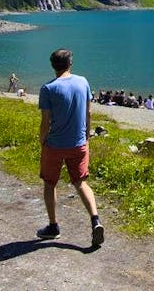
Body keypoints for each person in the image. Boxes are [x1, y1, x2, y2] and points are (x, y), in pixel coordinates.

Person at [36, 48, 104, 247]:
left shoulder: (48, 88)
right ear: (70, 64)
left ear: (52, 65)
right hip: (79, 143)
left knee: (50, 183)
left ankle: (53, 226)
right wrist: (87, 136)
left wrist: (42, 141)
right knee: (81, 182)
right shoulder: (83, 82)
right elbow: (88, 113)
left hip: (55, 145)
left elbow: (45, 122)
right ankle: (95, 220)